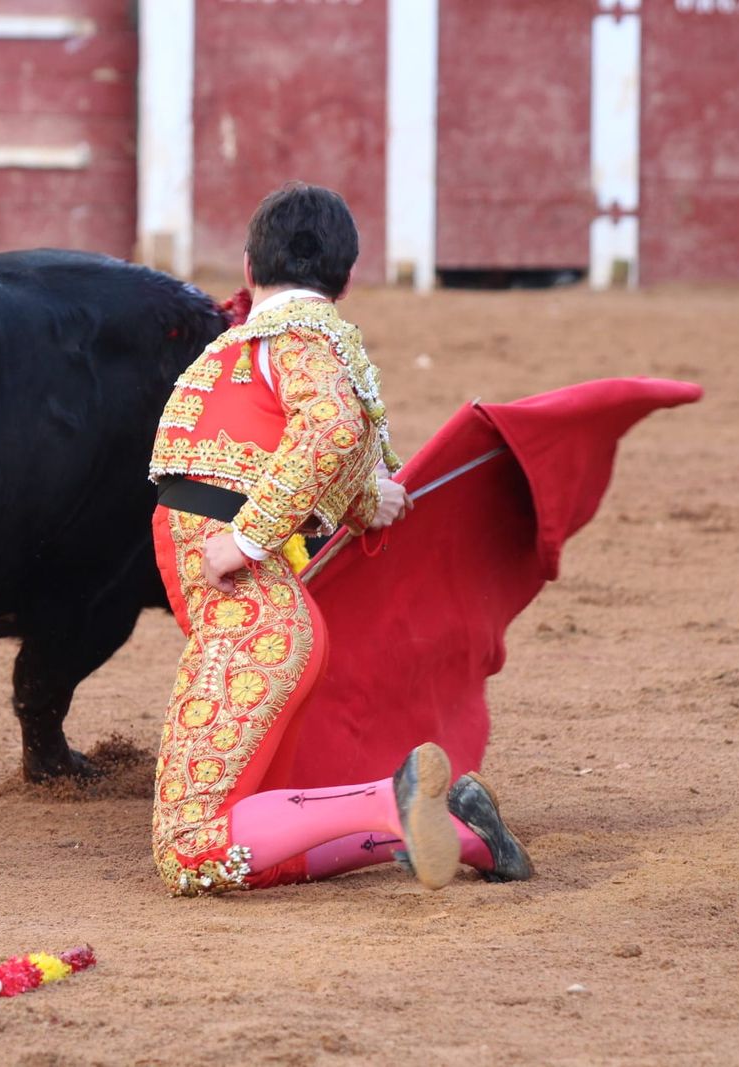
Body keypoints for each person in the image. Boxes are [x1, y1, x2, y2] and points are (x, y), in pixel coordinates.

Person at [147, 182, 532, 896]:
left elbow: (329, 429)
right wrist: (363, 498)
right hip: (263, 620)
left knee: (190, 849)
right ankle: (465, 833)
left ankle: (393, 797)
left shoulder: (288, 338)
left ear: (247, 266)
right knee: (246, 839)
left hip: (251, 618)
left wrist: (248, 540)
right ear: (348, 277)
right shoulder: (275, 345)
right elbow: (324, 448)